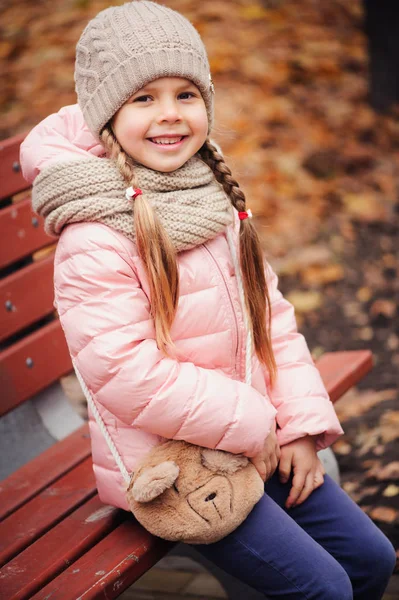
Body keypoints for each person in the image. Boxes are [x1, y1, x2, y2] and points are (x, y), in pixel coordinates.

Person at [20, 2, 395, 598]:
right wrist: (255, 425)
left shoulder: (209, 196)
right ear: (106, 115)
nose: (169, 115)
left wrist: (296, 426)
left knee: (372, 559)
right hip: (172, 469)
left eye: (185, 94)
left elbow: (269, 317)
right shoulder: (95, 236)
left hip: (252, 439)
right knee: (323, 587)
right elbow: (123, 371)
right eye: (143, 98)